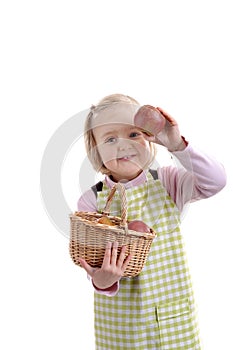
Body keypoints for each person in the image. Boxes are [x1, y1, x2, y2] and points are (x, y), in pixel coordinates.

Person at [77, 93, 226, 349]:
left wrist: (177, 144)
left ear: (149, 139)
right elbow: (92, 266)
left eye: (134, 134)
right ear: (96, 151)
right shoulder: (91, 201)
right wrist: (103, 280)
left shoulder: (168, 182)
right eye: (111, 139)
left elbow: (216, 182)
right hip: (122, 324)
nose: (124, 145)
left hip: (172, 319)